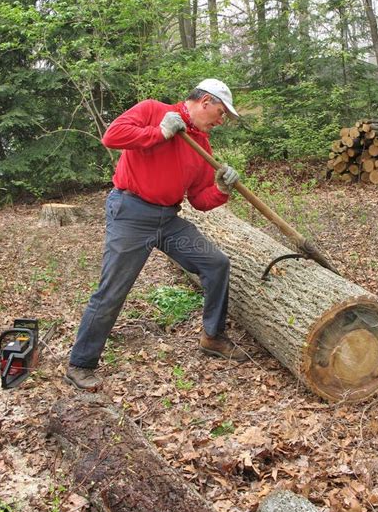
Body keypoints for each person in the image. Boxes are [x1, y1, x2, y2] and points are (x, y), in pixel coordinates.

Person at [65, 79, 248, 390]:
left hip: (168, 219)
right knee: (113, 290)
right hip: (131, 213)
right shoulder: (153, 110)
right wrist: (159, 132)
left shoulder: (201, 145)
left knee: (216, 264)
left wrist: (220, 189)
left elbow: (199, 200)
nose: (221, 121)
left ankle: (212, 337)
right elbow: (112, 136)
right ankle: (80, 364)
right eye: (220, 113)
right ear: (204, 102)